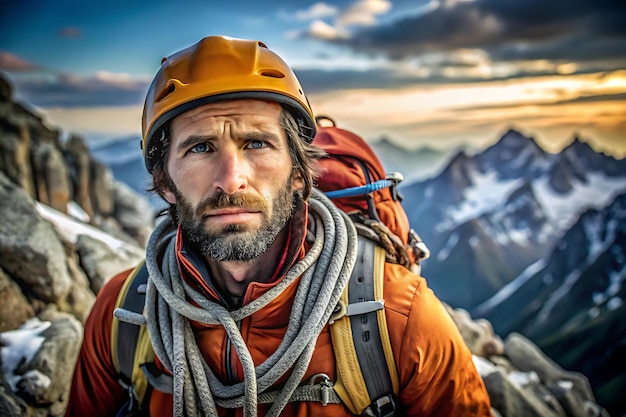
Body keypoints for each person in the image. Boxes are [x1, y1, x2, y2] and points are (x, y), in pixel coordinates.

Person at [65, 35, 491, 417]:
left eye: (256, 143)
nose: (231, 179)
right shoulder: (123, 315)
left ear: (299, 173)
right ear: (165, 183)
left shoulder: (401, 317)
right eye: (200, 147)